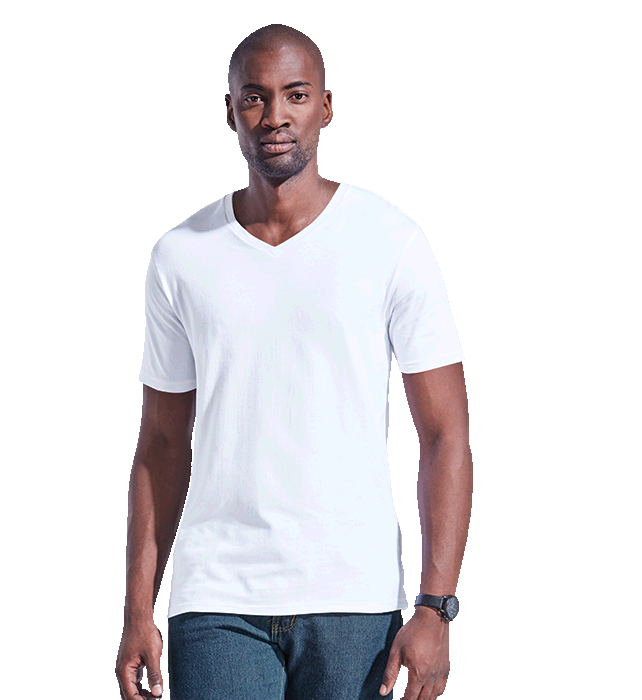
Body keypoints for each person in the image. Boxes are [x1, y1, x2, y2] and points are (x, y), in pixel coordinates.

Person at [116, 23, 473, 700]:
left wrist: (436, 607)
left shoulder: (391, 239)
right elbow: (160, 444)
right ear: (230, 112)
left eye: (296, 94)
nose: (275, 115)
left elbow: (445, 432)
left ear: (326, 107)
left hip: (356, 597)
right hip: (216, 599)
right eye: (254, 97)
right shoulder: (181, 255)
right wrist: (138, 611)